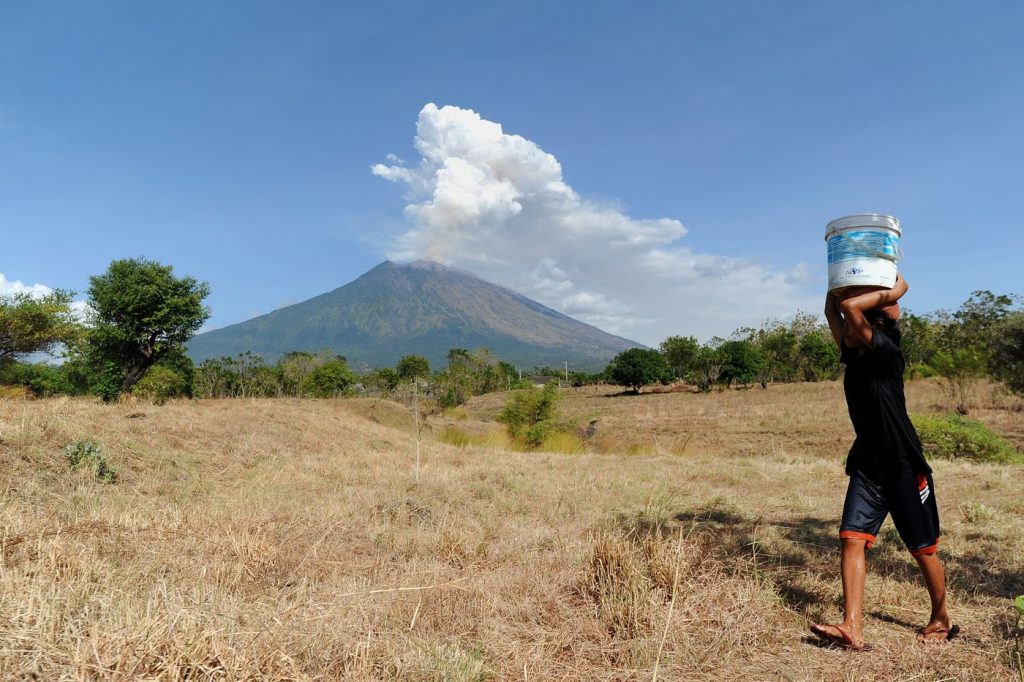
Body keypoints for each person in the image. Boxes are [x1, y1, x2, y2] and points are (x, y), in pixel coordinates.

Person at [810, 274, 958, 650]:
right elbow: (835, 309)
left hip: (903, 464)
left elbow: (846, 308)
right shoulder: (853, 353)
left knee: (922, 548)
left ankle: (941, 617)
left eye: (852, 324)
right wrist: (838, 275)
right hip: (868, 464)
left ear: (869, 326)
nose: (841, 331)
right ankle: (852, 626)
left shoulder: (887, 351)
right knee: (851, 538)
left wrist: (896, 290)